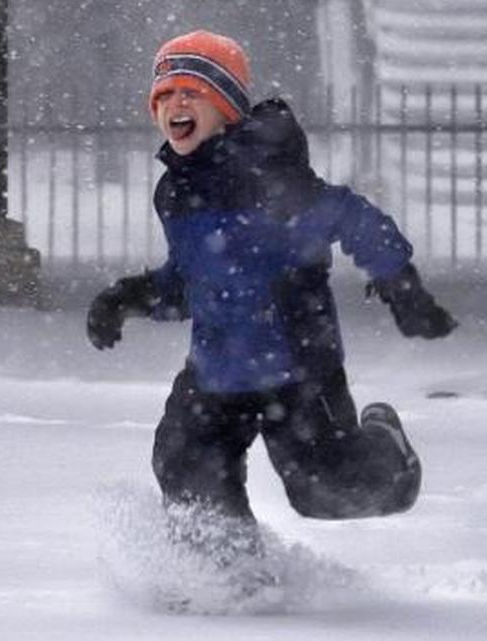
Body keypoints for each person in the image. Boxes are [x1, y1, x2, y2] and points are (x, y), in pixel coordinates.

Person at [86, 30, 456, 558]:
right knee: (186, 467)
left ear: (226, 107)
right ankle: (228, 573)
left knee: (328, 492)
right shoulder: (175, 192)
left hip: (297, 369)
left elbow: (355, 219)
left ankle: (387, 449)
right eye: (164, 96)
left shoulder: (274, 178)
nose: (175, 105)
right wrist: (126, 299)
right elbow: (192, 282)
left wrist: (401, 285)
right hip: (216, 372)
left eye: (191, 92)